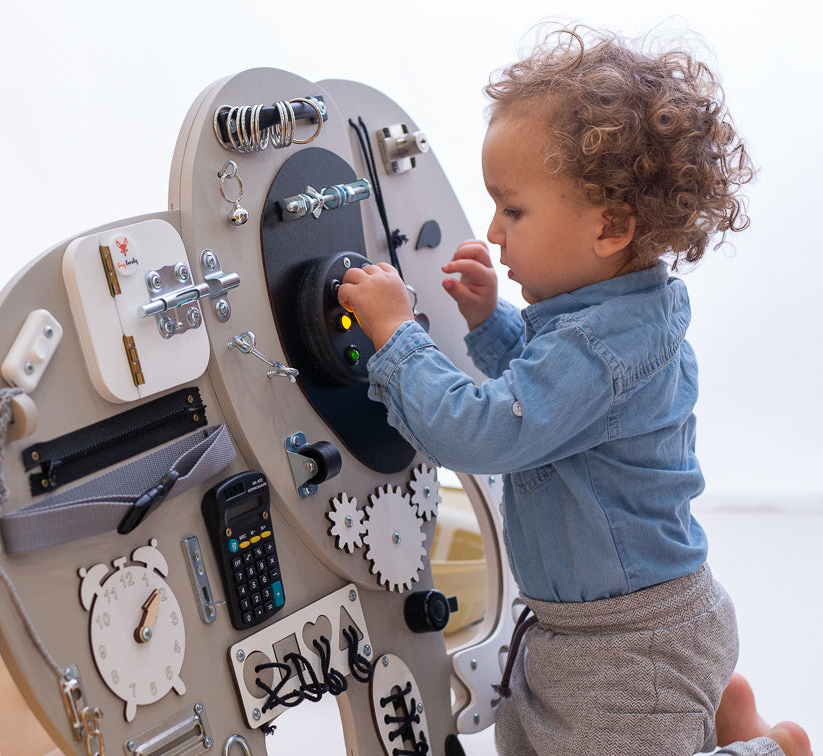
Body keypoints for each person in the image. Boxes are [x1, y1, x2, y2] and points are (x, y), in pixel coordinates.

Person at [337, 25, 812, 756]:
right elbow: (545, 394)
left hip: (634, 648)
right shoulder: (610, 319)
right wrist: (491, 321)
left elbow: (486, 431)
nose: (493, 231)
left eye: (514, 210)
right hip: (600, 629)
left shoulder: (601, 349)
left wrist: (400, 335)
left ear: (611, 226)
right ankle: (724, 719)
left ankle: (770, 748)